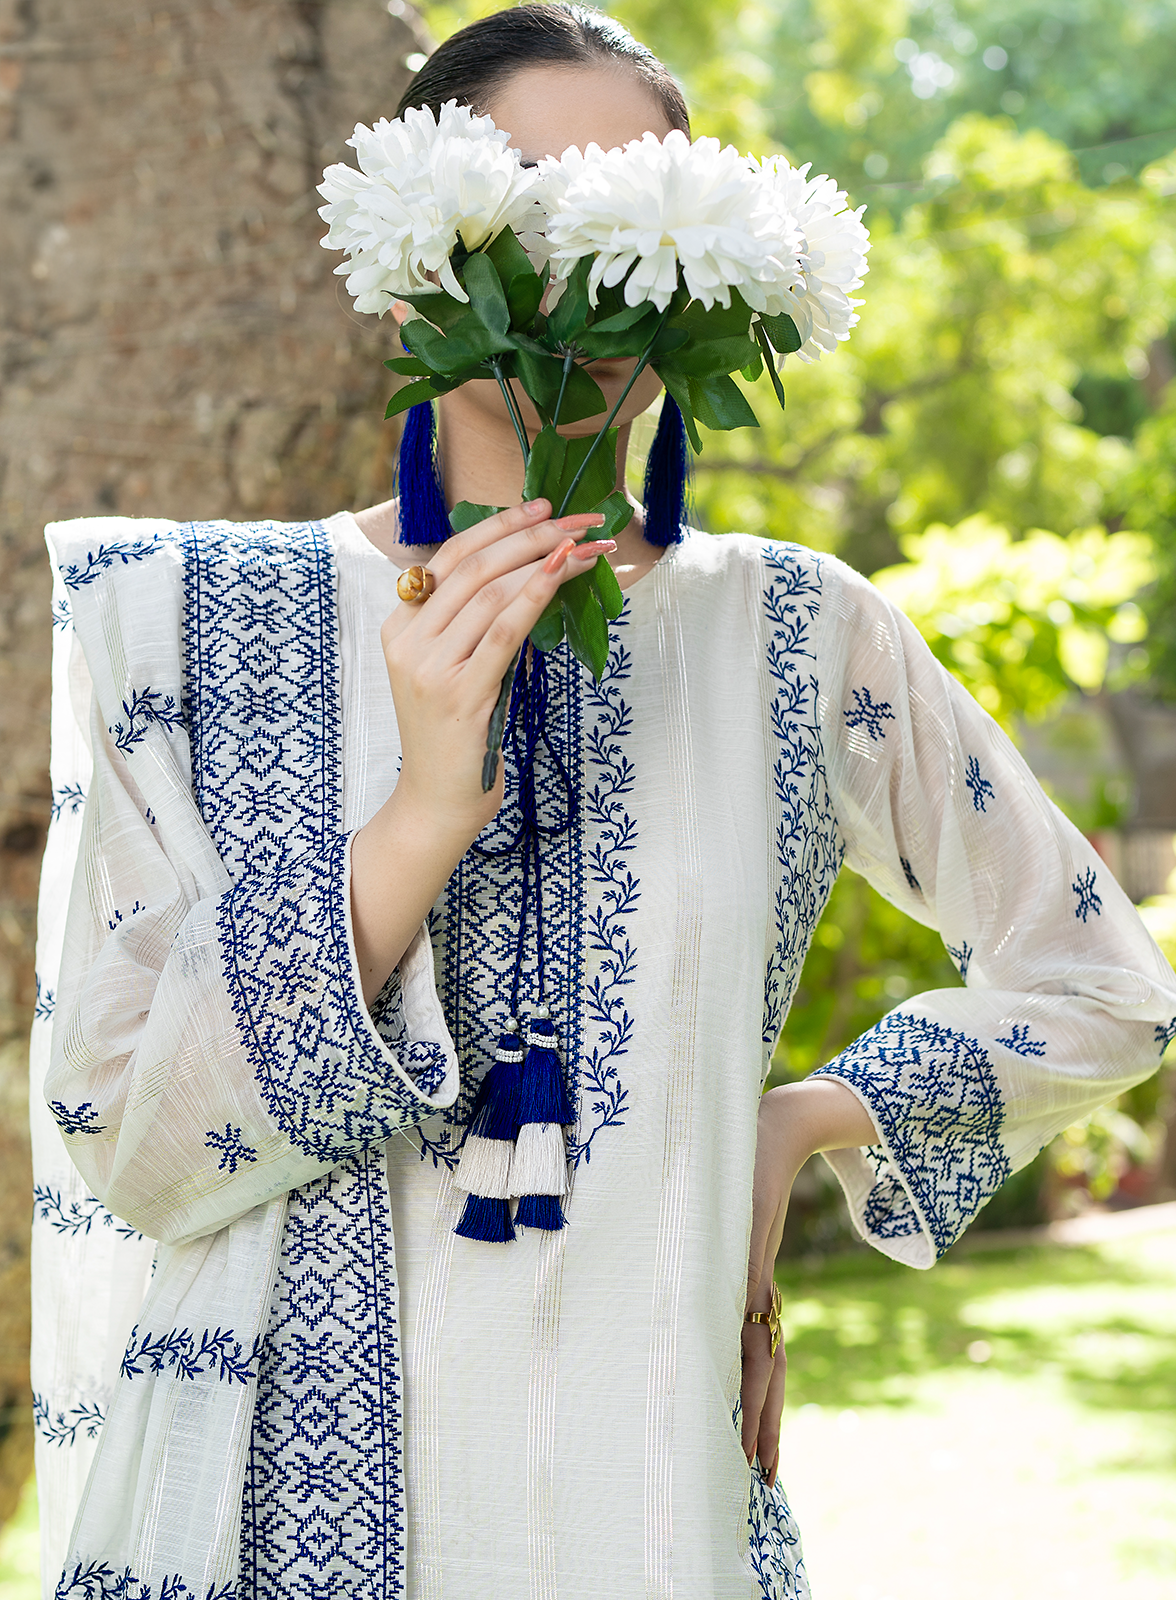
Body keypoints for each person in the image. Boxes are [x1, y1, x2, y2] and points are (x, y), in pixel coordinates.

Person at [31, 6, 1176, 1598]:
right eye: (531, 210)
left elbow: (1103, 984)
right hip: (274, 1518)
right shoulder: (182, 618)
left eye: (629, 214)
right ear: (423, 254)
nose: (581, 275)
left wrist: (784, 1132)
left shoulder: (798, 626)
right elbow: (123, 1137)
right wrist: (424, 811)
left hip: (652, 1506)